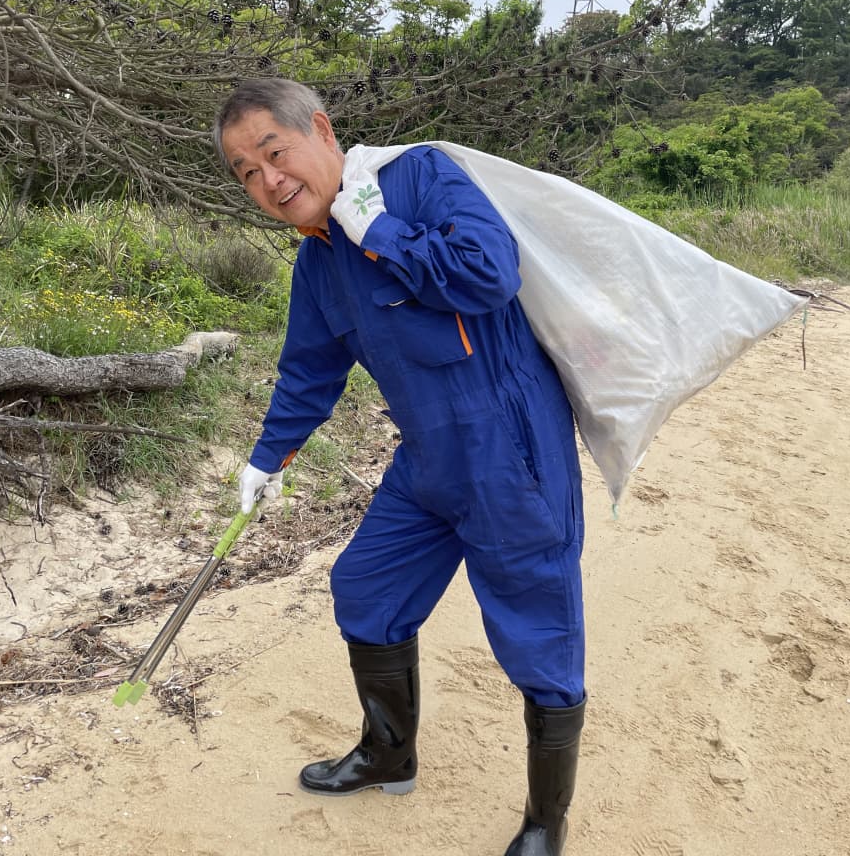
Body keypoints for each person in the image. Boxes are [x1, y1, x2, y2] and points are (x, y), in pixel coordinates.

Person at [215, 78, 586, 856]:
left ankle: (546, 822)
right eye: (247, 173)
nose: (269, 182)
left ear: (320, 130)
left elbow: (490, 275)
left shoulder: (416, 178)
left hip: (508, 447)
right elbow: (308, 371)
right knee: (367, 585)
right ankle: (390, 754)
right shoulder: (316, 264)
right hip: (425, 454)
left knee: (536, 630)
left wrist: (377, 228)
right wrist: (266, 458)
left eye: (274, 154)